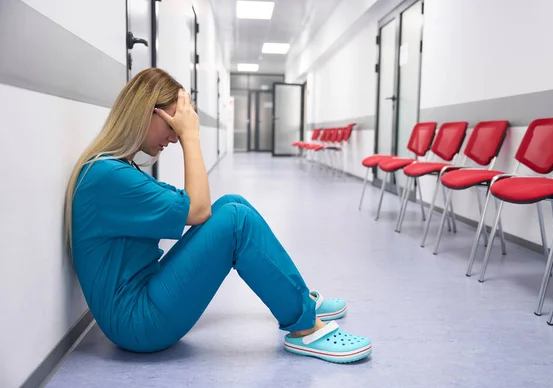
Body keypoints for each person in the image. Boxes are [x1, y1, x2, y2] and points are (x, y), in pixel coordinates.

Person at [64, 68, 372, 364]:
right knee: (236, 221)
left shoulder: (116, 169)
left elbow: (197, 205)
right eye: (172, 126)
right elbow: (197, 210)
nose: (174, 138)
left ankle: (299, 298)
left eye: (178, 129)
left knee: (230, 203)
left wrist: (184, 135)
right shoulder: (107, 175)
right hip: (137, 322)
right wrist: (191, 138)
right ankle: (306, 326)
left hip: (144, 296)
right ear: (146, 112)